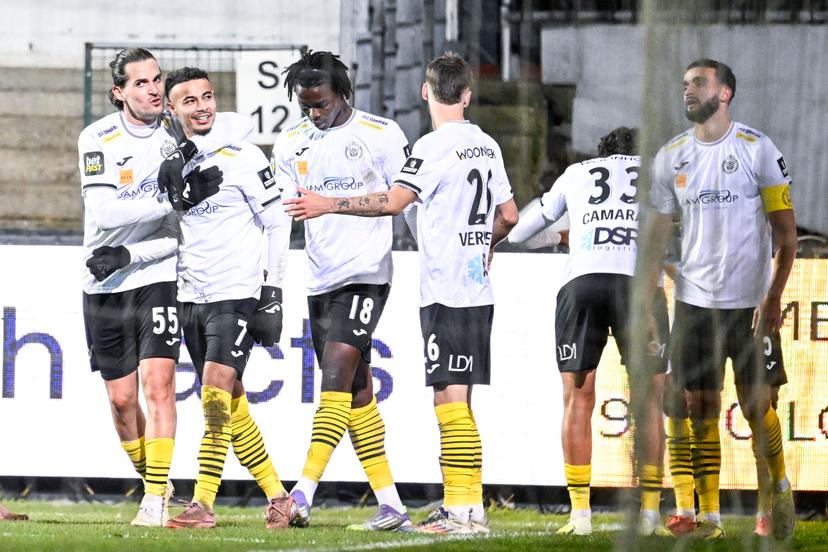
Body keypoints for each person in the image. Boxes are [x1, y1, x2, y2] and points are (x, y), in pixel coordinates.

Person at [284, 51, 519, 534]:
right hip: (473, 284)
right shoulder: (488, 145)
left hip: (439, 287)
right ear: (469, 94)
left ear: (425, 93)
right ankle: (455, 507)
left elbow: (394, 202)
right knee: (452, 401)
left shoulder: (426, 147)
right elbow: (510, 215)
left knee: (449, 402)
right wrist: (482, 245)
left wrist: (328, 203)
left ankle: (458, 510)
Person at [79, 48, 266, 527]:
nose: (153, 89)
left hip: (160, 274)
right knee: (122, 403)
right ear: (119, 92)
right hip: (105, 276)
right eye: (140, 83)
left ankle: (154, 500)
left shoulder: (174, 134)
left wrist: (186, 148)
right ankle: (157, 485)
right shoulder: (96, 137)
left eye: (157, 79)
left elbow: (239, 125)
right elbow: (106, 214)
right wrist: (171, 198)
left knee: (159, 385)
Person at [640, 58, 796, 540]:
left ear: (725, 93)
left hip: (749, 305)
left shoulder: (757, 149)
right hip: (694, 303)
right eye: (684, 82)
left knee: (754, 407)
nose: (688, 89)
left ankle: (778, 490)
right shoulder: (671, 157)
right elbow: (656, 240)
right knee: (700, 407)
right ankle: (710, 517)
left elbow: (786, 236)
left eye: (699, 82)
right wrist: (649, 302)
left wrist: (773, 298)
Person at [270, 50, 412, 531]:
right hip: (320, 277)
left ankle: (302, 493)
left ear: (342, 93)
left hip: (368, 273)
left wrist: (331, 203)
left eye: (322, 104)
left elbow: (396, 201)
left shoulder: (382, 133)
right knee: (355, 392)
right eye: (306, 105)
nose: (314, 112)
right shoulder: (290, 144)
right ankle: (391, 503)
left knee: (333, 372)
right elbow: (285, 213)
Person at [507, 127, 670, 537]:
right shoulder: (658, 171)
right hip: (639, 285)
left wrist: (564, 235)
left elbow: (520, 232)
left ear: (602, 154)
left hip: (583, 282)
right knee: (650, 400)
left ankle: (580, 516)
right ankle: (650, 514)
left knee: (578, 399)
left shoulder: (578, 172)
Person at [158, 67, 294, 530]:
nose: (203, 107)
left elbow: (278, 223)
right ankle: (279, 496)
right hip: (189, 293)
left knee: (214, 395)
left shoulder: (245, 155)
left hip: (236, 293)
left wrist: (272, 292)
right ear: (171, 109)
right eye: (190, 100)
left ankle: (203, 504)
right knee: (231, 403)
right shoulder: (171, 157)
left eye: (208, 97)